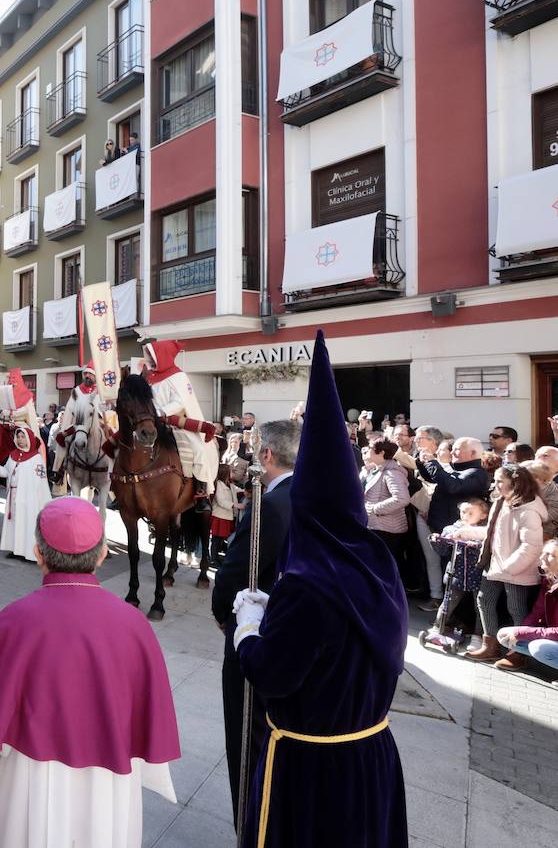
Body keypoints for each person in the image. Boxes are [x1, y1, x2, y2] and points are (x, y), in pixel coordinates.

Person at [229, 333, 408, 848]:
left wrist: (249, 628)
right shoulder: (377, 562)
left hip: (310, 768)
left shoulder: (308, 583)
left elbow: (273, 674)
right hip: (372, 752)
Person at [0, 497, 180, 848]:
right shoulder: (134, 625)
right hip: (109, 790)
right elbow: (150, 722)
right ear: (103, 554)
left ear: (38, 554)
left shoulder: (11, 623)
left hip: (27, 787)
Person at [211, 418, 299, 822]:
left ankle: (248, 820)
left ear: (266, 454)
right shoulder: (306, 493)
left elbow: (237, 568)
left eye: (254, 448)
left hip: (258, 633)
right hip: (293, 632)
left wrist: (223, 614)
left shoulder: (273, 503)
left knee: (246, 732)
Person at [466, 462, 547, 662]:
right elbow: (494, 533)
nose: (495, 485)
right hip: (496, 565)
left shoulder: (528, 509)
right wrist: (463, 532)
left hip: (515, 569)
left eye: (500, 481)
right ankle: (490, 645)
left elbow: (531, 545)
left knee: (516, 609)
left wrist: (510, 567)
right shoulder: (502, 501)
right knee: (484, 600)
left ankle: (519, 652)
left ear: (514, 482)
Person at [140, 340, 219, 495]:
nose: (148, 358)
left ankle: (201, 491)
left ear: (161, 356)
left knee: (200, 450)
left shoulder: (178, 376)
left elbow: (181, 402)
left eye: (151, 355)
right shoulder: (148, 377)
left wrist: (162, 412)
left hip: (175, 421)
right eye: (148, 354)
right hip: (151, 421)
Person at [496, 541, 558, 672]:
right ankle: (518, 656)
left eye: (550, 554)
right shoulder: (549, 580)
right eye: (543, 553)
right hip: (553, 636)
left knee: (538, 647)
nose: (542, 557)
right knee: (504, 635)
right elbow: (537, 612)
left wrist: (523, 633)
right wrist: (520, 632)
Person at [0, 425, 51, 562]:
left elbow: (41, 483)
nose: (20, 439)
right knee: (14, 522)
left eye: (23, 437)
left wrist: (39, 501)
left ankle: (29, 553)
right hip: (13, 496)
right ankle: (15, 549)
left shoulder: (36, 458)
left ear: (29, 439)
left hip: (29, 499)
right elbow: (6, 473)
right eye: (18, 437)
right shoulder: (12, 455)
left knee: (27, 523)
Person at [362, 438, 412, 580]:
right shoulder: (376, 470)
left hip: (386, 529)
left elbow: (402, 498)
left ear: (381, 453)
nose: (367, 450)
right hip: (376, 526)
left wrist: (376, 509)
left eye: (371, 447)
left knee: (385, 568)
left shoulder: (392, 473)